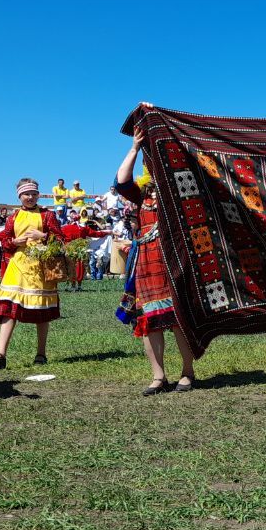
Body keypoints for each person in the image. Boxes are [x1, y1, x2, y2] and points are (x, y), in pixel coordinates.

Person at [116, 123, 197, 394]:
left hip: (172, 261)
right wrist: (135, 147)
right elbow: (121, 181)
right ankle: (158, 376)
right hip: (147, 263)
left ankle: (187, 372)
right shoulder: (140, 195)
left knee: (177, 320)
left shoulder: (178, 192)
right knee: (149, 321)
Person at [0, 178, 64, 369]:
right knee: (8, 307)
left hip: (41, 267)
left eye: (34, 194)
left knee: (42, 311)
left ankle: (41, 354)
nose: (30, 197)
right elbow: (4, 243)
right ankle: (0, 354)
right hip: (18, 266)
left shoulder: (48, 216)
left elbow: (60, 240)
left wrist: (43, 236)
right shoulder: (13, 217)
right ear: (19, 195)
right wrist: (15, 241)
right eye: (26, 194)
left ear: (38, 195)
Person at [60, 209, 109, 292]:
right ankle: (79, 286)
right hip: (80, 250)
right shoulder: (83, 229)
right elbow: (96, 234)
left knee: (71, 267)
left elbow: (58, 235)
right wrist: (106, 232)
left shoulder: (65, 228)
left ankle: (72, 286)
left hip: (69, 250)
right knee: (80, 267)